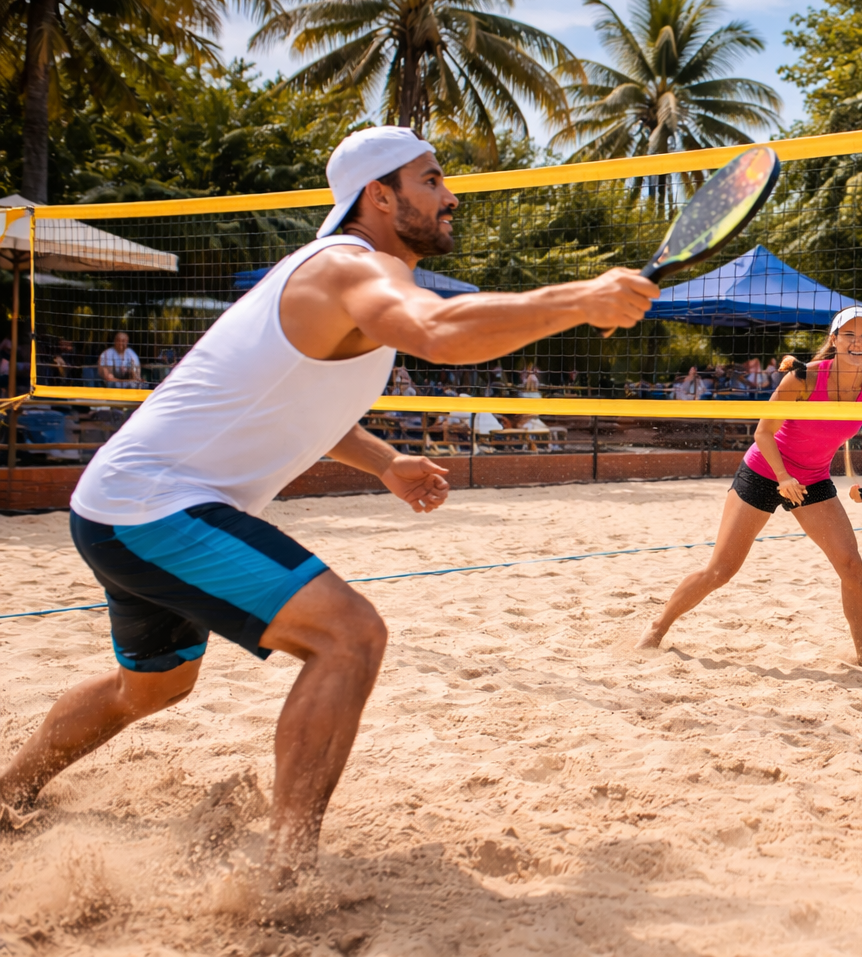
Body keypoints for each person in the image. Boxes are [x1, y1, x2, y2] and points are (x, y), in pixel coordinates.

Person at [0, 126, 659, 887]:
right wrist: (580, 298)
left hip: (121, 505)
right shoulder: (352, 268)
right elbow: (440, 333)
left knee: (150, 689)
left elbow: (297, 399)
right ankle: (284, 880)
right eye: (433, 179)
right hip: (154, 507)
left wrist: (384, 461)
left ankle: (10, 792)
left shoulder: (341, 277)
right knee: (351, 638)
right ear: (380, 195)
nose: (451, 195)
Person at [639, 307, 862, 665]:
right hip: (764, 471)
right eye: (849, 334)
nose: (858, 342)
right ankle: (658, 627)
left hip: (812, 478)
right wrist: (783, 477)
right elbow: (763, 432)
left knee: (851, 565)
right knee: (720, 570)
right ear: (833, 340)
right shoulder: (803, 378)